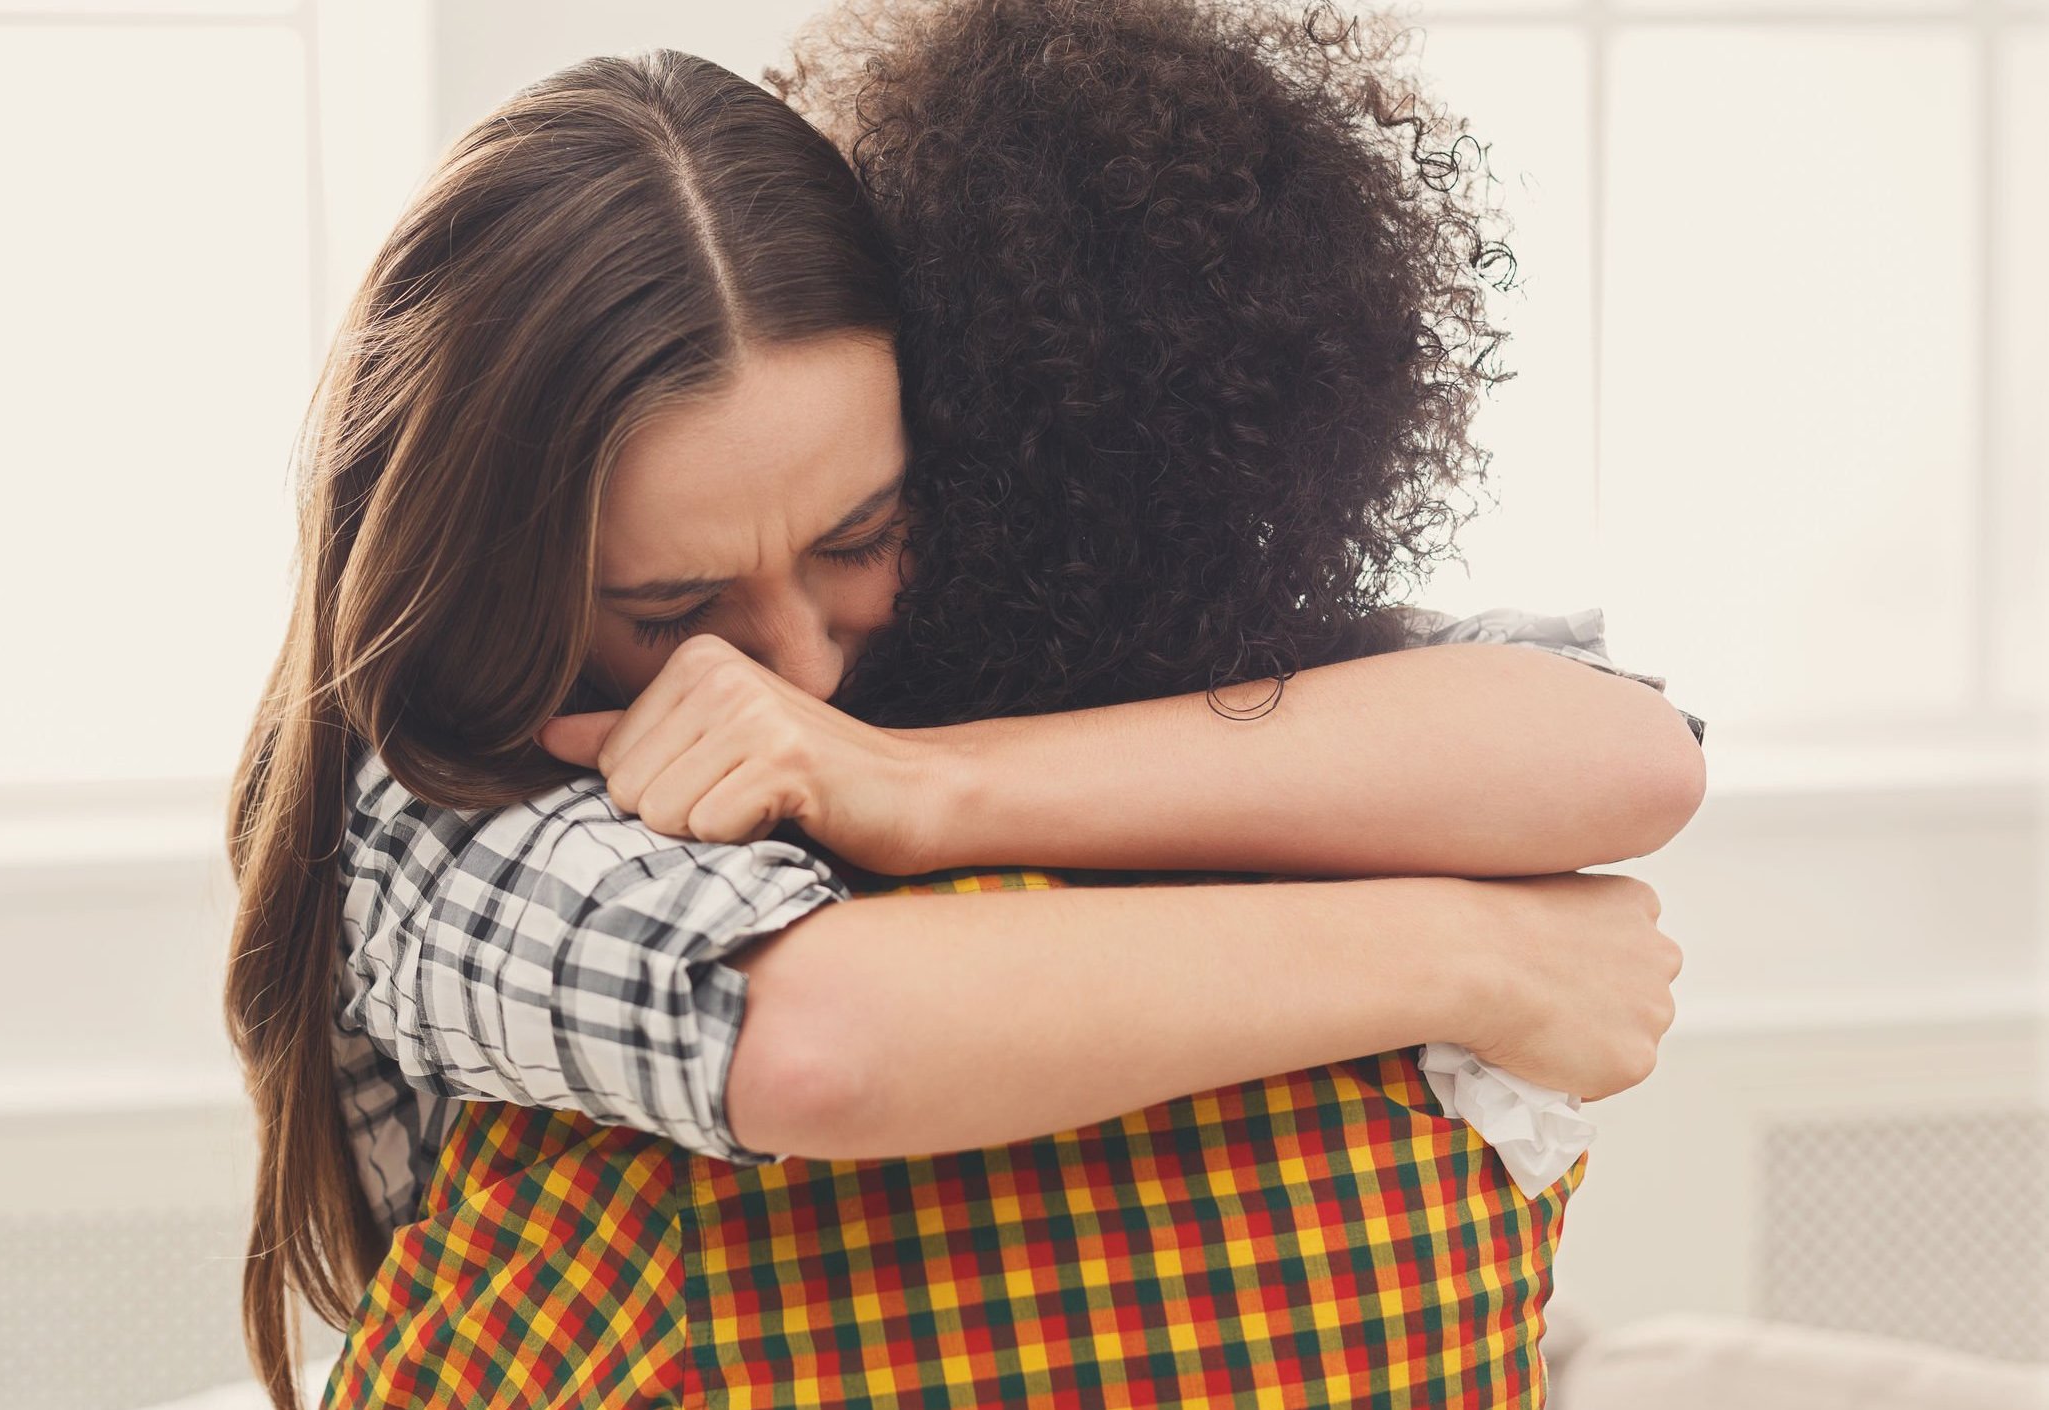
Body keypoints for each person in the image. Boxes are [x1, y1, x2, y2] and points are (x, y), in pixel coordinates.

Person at [224, 15, 1696, 1408]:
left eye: (861, 537)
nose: (798, 663)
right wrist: (1466, 947)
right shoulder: (450, 804)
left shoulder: (999, 651)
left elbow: (1622, 757)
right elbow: (812, 1040)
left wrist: (928, 784)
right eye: (674, 610)